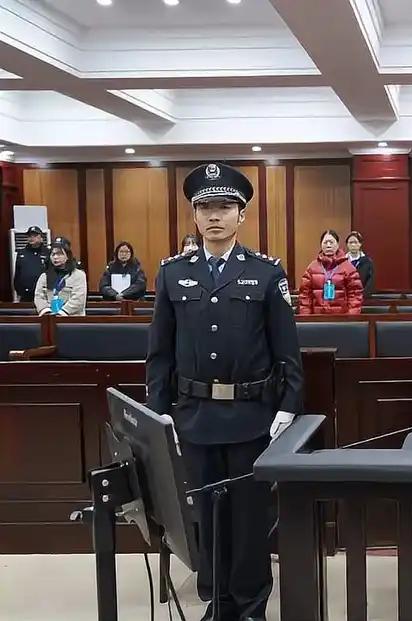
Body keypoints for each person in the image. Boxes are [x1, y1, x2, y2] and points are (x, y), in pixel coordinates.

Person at [146, 162, 303, 621]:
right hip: (194, 416)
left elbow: (286, 348)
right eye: (205, 208)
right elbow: (159, 352)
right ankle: (218, 603)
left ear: (241, 215)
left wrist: (289, 404)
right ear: (195, 216)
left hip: (251, 417)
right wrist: (159, 412)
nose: (214, 216)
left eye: (224, 207)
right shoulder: (173, 274)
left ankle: (251, 607)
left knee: (251, 519)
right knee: (206, 517)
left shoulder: (265, 272)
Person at [297, 230, 364, 315]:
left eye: (331, 242)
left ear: (337, 245)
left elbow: (355, 296)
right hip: (317, 318)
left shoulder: (349, 268)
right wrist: (306, 318)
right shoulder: (312, 268)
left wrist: (351, 318)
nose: (328, 245)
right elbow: (305, 296)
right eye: (325, 242)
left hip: (342, 319)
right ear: (321, 245)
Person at [34, 236, 87, 317]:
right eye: (53, 254)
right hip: (49, 317)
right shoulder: (44, 276)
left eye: (59, 254)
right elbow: (39, 296)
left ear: (67, 256)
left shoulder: (79, 275)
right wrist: (46, 311)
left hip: (72, 318)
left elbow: (78, 299)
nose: (55, 257)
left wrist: (61, 313)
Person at [13, 225, 49, 302]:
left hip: (43, 294)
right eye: (29, 236)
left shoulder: (48, 253)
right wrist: (19, 291)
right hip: (25, 295)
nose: (31, 238)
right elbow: (17, 274)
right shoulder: (21, 253)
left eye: (35, 235)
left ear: (41, 238)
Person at [345, 230, 375, 296]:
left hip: (362, 297)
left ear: (360, 244)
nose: (353, 245)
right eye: (350, 242)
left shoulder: (367, 262)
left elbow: (370, 282)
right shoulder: (342, 261)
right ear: (347, 244)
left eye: (355, 242)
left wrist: (362, 295)